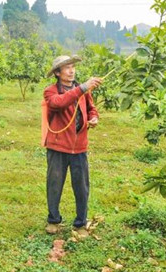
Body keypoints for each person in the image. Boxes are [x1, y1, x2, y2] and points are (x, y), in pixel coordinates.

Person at [43, 55, 102, 235]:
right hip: (58, 146)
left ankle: (80, 223)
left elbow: (92, 108)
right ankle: (53, 220)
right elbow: (58, 103)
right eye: (66, 68)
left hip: (79, 147)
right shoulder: (50, 91)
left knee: (81, 186)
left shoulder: (83, 91)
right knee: (54, 184)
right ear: (58, 73)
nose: (71, 70)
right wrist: (83, 87)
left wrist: (94, 118)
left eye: (72, 67)